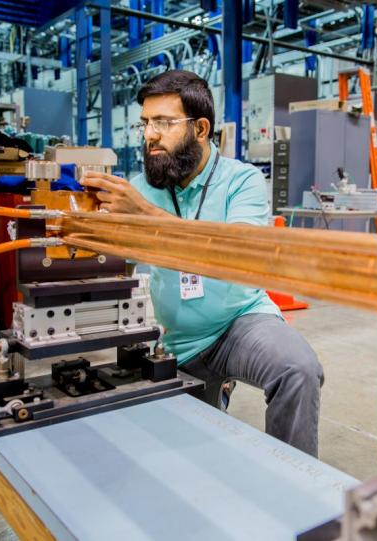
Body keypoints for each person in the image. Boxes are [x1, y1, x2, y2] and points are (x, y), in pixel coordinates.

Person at [80, 70, 324, 457]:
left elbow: (239, 253)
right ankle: (214, 390)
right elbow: (108, 264)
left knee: (297, 369)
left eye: (164, 122)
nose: (150, 135)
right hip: (174, 342)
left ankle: (297, 488)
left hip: (239, 321)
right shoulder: (141, 189)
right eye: (145, 123)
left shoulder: (241, 180)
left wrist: (145, 215)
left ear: (201, 128)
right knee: (182, 459)